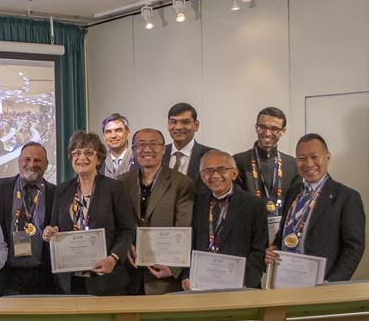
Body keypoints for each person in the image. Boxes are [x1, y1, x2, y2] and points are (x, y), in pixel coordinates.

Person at [43, 131, 135, 296]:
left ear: (98, 158)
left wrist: (113, 258)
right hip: (70, 280)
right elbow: (55, 225)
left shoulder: (114, 188)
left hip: (106, 279)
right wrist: (49, 232)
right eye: (76, 153)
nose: (81, 158)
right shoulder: (62, 190)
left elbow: (127, 230)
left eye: (88, 153)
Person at [265, 134, 366, 282]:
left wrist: (332, 283)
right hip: (286, 280)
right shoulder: (292, 192)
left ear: (328, 158)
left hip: (323, 284)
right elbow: (284, 235)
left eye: (314, 157)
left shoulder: (346, 197)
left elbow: (354, 248)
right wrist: (273, 250)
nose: (308, 164)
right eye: (301, 158)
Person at [119, 128, 193, 295]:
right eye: (141, 144)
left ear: (163, 149)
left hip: (163, 275)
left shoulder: (181, 182)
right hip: (129, 272)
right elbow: (118, 223)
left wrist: (174, 268)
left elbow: (184, 227)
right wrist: (125, 245)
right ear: (133, 149)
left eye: (153, 144)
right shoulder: (122, 182)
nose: (147, 149)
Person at [180, 150, 268, 290]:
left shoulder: (254, 205)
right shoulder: (196, 203)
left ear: (234, 173)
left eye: (222, 169)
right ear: (202, 176)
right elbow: (190, 243)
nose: (215, 176)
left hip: (241, 287)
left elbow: (259, 249)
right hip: (201, 285)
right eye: (208, 171)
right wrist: (186, 275)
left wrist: (247, 283)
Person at [0, 142, 56, 295]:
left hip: (45, 278)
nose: (32, 164)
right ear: (18, 162)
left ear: (46, 164)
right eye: (27, 159)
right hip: (6, 276)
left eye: (37, 160)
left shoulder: (56, 193)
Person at [234, 107, 301, 243]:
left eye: (274, 129)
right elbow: (235, 204)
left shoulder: (292, 164)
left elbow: (296, 205)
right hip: (248, 234)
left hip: (282, 235)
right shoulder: (238, 161)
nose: (267, 133)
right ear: (256, 127)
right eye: (262, 127)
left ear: (283, 131)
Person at [162, 102, 212, 184]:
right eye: (173, 122)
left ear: (196, 125)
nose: (178, 127)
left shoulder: (211, 155)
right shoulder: (159, 153)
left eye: (185, 122)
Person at [100, 113, 134, 179]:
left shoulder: (139, 159)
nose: (113, 136)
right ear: (104, 137)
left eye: (118, 130)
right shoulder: (99, 162)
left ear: (127, 134)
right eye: (108, 132)